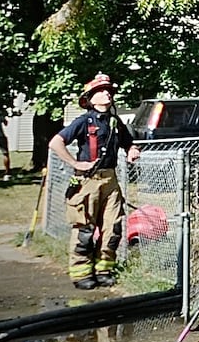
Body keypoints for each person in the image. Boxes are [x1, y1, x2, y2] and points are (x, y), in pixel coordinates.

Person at [49, 75, 140, 288]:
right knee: (85, 230)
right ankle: (81, 274)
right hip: (87, 182)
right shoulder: (83, 121)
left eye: (109, 90)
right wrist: (76, 163)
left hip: (110, 182)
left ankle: (104, 270)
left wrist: (132, 150)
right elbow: (56, 143)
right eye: (101, 91)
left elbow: (129, 144)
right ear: (90, 98)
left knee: (113, 228)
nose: (107, 93)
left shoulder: (115, 122)